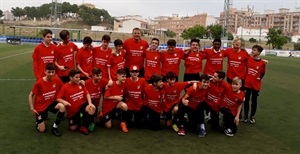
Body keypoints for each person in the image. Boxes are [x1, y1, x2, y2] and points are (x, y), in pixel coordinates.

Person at [28, 63, 65, 136]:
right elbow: (30, 95)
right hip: (40, 107)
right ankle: (39, 122)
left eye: (53, 72)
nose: (51, 74)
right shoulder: (39, 83)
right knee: (42, 130)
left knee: (62, 106)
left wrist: (79, 82)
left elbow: (65, 88)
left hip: (51, 103)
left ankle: (55, 127)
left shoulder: (57, 80)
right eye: (49, 72)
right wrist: (32, 108)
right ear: (45, 71)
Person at [57, 69, 96, 135]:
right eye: (76, 77)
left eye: (79, 77)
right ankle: (82, 118)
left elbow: (87, 94)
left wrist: (90, 103)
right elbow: (58, 98)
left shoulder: (80, 84)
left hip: (82, 107)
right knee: (73, 128)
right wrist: (64, 102)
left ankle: (84, 126)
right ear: (71, 77)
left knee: (92, 108)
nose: (78, 79)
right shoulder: (65, 87)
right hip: (73, 112)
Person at [244, 45, 267, 124]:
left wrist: (259, 78)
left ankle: (252, 116)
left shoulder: (262, 63)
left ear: (259, 52)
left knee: (254, 101)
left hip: (256, 85)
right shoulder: (248, 59)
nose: (252, 51)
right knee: (246, 100)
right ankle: (246, 116)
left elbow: (263, 73)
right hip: (247, 84)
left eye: (254, 50)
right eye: (252, 50)